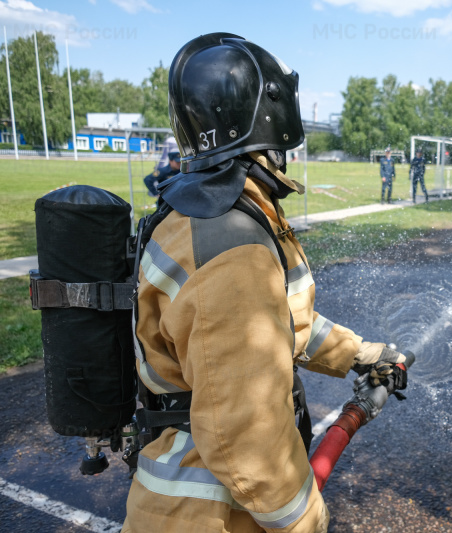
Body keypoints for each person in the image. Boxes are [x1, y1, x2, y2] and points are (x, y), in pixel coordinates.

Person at [123, 33, 407, 533]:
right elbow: (244, 436)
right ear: (268, 116)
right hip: (214, 516)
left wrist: (363, 354)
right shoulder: (228, 240)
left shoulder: (216, 213)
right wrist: (305, 520)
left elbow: (277, 321)